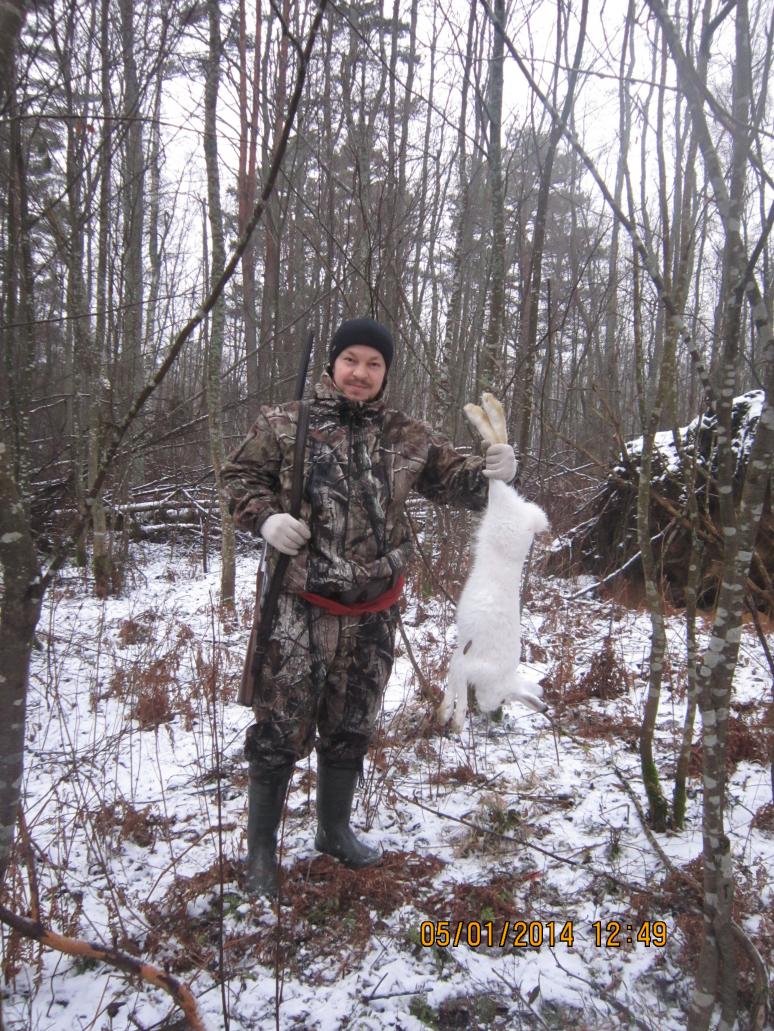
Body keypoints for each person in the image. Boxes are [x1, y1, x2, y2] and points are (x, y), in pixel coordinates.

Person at [221, 317, 517, 895]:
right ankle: (260, 854)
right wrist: (265, 518)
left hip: (374, 609)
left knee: (352, 723)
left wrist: (497, 471)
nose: (360, 373)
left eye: (373, 364)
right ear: (333, 363)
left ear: (385, 372)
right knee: (279, 728)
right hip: (299, 605)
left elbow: (460, 484)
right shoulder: (285, 423)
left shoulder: (407, 435)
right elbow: (238, 477)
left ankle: (334, 831)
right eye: (351, 360)